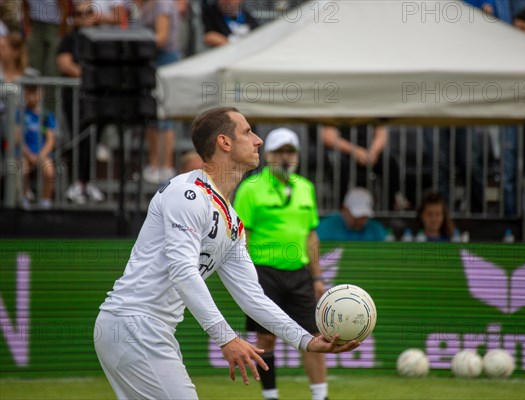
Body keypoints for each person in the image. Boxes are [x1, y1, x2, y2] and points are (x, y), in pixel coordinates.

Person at [94, 107, 359, 400]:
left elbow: (252, 297)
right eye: (247, 132)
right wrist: (227, 337)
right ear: (224, 142)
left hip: (146, 330)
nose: (258, 140)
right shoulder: (188, 193)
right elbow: (183, 272)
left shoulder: (232, 220)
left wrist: (307, 341)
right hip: (133, 326)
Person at [233, 127, 328, 400]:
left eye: (290, 151)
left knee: (314, 336)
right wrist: (245, 277)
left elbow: (311, 234)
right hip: (263, 273)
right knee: (266, 338)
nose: (285, 157)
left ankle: (321, 396)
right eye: (279, 152)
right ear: (268, 155)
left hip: (299, 273)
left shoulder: (305, 188)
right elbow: (242, 236)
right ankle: (271, 396)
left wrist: (317, 278)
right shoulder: (250, 189)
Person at [57, 0, 106, 204]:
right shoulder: (69, 39)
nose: (82, 17)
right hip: (76, 98)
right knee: (80, 139)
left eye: (88, 13)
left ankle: (89, 182)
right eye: (78, 14)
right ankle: (77, 183)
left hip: (97, 98)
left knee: (94, 140)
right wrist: (91, 76)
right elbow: (64, 65)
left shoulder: (102, 39)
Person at [133, 0, 180, 184]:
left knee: (164, 116)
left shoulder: (163, 4)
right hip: (152, 61)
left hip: (165, 62)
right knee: (152, 116)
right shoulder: (145, 5)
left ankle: (166, 166)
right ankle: (154, 165)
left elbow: (161, 37)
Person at [321, 124, 402, 211]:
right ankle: (341, 209)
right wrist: (355, 151)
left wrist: (374, 152)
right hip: (343, 151)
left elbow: (381, 135)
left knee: (390, 163)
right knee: (338, 163)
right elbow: (328, 137)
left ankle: (389, 209)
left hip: (369, 152)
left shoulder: (373, 111)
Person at [17, 80, 56, 209]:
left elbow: (50, 140)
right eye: (28, 92)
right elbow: (17, 138)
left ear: (41, 93)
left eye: (34, 92)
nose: (31, 95)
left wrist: (40, 155)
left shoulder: (46, 115)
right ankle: (23, 198)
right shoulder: (20, 114)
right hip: (25, 153)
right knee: (22, 168)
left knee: (49, 170)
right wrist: (28, 154)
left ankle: (46, 201)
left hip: (41, 153)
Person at [317, 187, 389, 242]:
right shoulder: (325, 228)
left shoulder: (377, 230)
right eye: (357, 216)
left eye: (365, 217)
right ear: (344, 209)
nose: (361, 221)